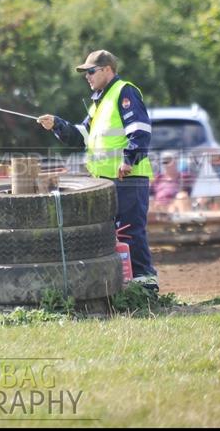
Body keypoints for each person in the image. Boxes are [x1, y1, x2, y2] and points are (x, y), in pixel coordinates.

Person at [37, 50, 159, 292]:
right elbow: (81, 136)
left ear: (107, 69)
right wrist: (57, 125)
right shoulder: (99, 102)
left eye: (90, 71)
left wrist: (129, 160)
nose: (87, 77)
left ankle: (145, 286)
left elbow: (140, 130)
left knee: (129, 232)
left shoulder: (124, 92)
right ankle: (123, 285)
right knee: (113, 234)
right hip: (106, 181)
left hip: (128, 177)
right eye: (85, 73)